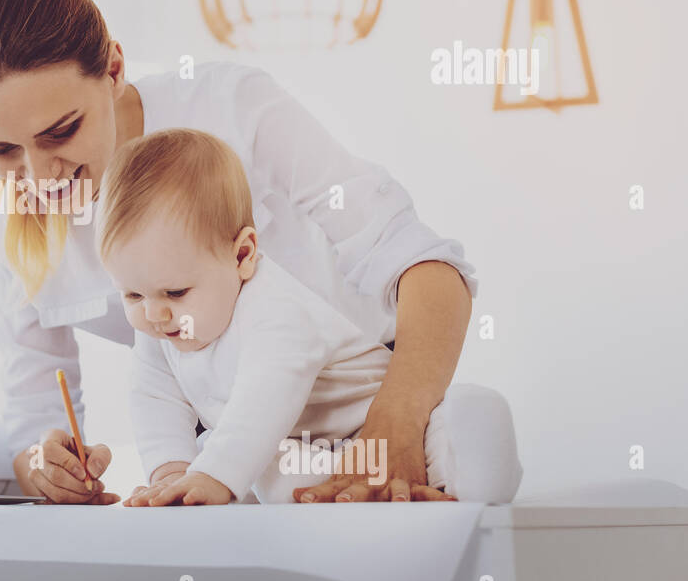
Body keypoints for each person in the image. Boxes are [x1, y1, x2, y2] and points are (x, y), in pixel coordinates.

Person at [0, 0, 521, 505]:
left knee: (467, 458)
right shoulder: (11, 217)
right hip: (248, 453)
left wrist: (399, 418)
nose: (40, 178)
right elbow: (34, 403)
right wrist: (48, 465)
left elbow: (422, 264)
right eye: (1, 149)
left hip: (376, 395)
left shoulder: (232, 108)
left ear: (114, 69)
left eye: (61, 132)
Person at [95, 127, 521, 506]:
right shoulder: (158, 323)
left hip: (377, 425)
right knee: (275, 477)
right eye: (131, 294)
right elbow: (154, 398)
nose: (153, 313)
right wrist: (173, 474)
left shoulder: (275, 308)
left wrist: (214, 473)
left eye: (176, 292)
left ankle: (472, 457)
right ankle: (357, 494)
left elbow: (265, 395)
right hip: (304, 447)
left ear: (241, 256)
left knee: (452, 445)